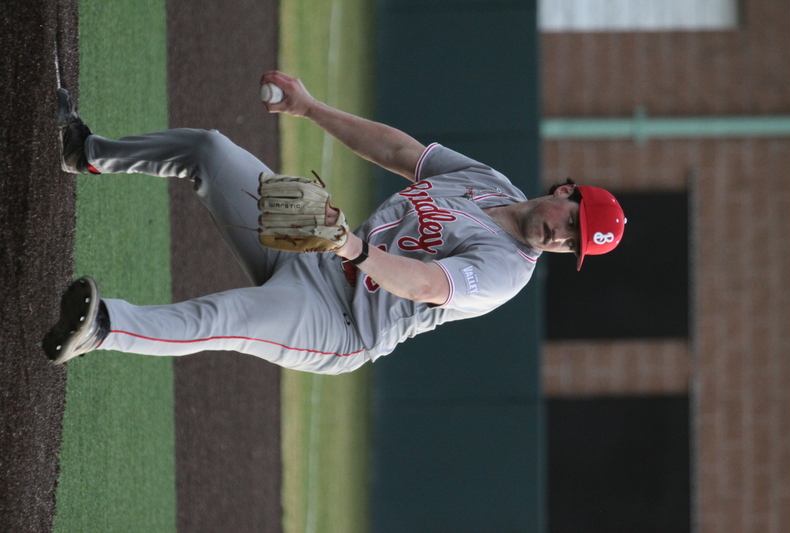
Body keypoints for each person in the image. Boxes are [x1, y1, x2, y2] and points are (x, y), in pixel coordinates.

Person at [43, 71, 626, 374]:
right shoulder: (490, 182)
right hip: (323, 247)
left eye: (573, 245)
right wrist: (310, 107)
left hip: (340, 321)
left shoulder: (506, 273)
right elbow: (401, 153)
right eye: (573, 221)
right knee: (210, 151)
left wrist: (352, 248)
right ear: (566, 192)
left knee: (223, 319)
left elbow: (424, 285)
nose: (562, 236)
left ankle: (99, 330)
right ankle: (86, 151)